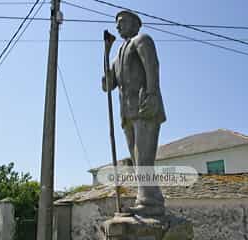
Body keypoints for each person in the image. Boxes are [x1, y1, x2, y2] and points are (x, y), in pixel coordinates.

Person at [102, 10, 166, 216]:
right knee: (137, 159)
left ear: (135, 24)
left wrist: (152, 94)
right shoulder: (117, 54)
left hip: (145, 106)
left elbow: (152, 66)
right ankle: (152, 197)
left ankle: (147, 202)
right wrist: (105, 56)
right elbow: (108, 85)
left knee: (144, 158)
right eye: (117, 23)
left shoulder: (142, 40)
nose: (118, 26)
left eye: (122, 22)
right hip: (127, 113)